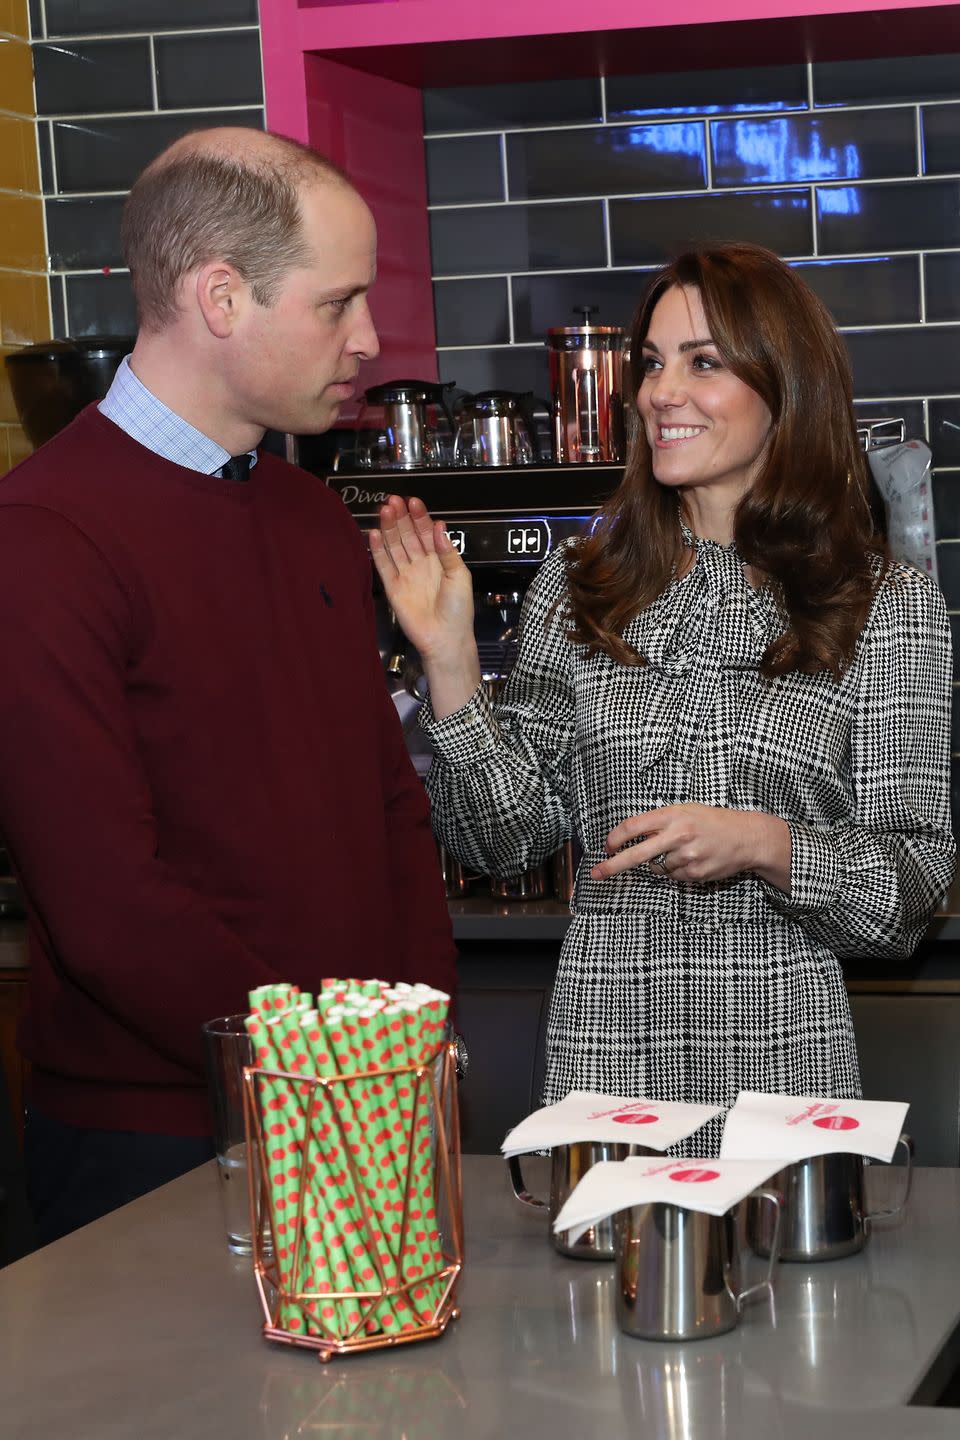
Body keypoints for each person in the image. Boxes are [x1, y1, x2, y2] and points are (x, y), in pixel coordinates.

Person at [371, 241, 955, 1155]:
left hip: (784, 1073)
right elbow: (502, 838)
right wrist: (449, 664)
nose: (658, 392)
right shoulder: (580, 586)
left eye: (704, 362)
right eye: (651, 363)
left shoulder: (884, 603)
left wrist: (768, 845)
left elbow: (911, 888)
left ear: (785, 389)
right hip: (601, 1072)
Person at [0, 127, 456, 1244]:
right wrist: (323, 1069)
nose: (369, 339)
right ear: (220, 298)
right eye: (336, 303)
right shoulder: (44, 538)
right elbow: (106, 903)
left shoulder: (305, 512)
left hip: (363, 1101)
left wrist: (412, 1047)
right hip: (157, 1145)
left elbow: (389, 807)